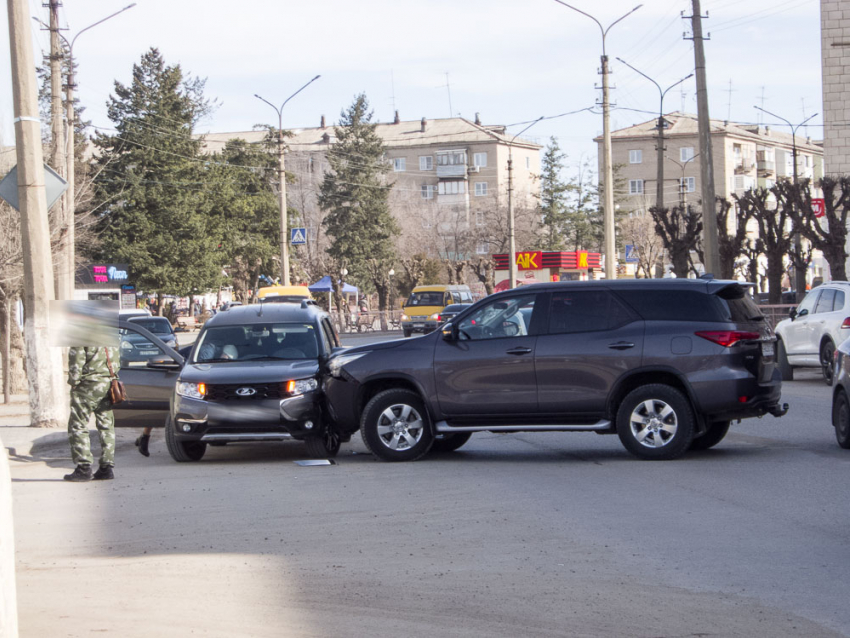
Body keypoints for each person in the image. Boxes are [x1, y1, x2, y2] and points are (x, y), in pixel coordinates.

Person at [64, 346, 121, 482]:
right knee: (106, 425)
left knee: (78, 424)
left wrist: (74, 383)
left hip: (87, 385)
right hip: (107, 384)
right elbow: (116, 360)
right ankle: (106, 467)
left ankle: (83, 468)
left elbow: (76, 361)